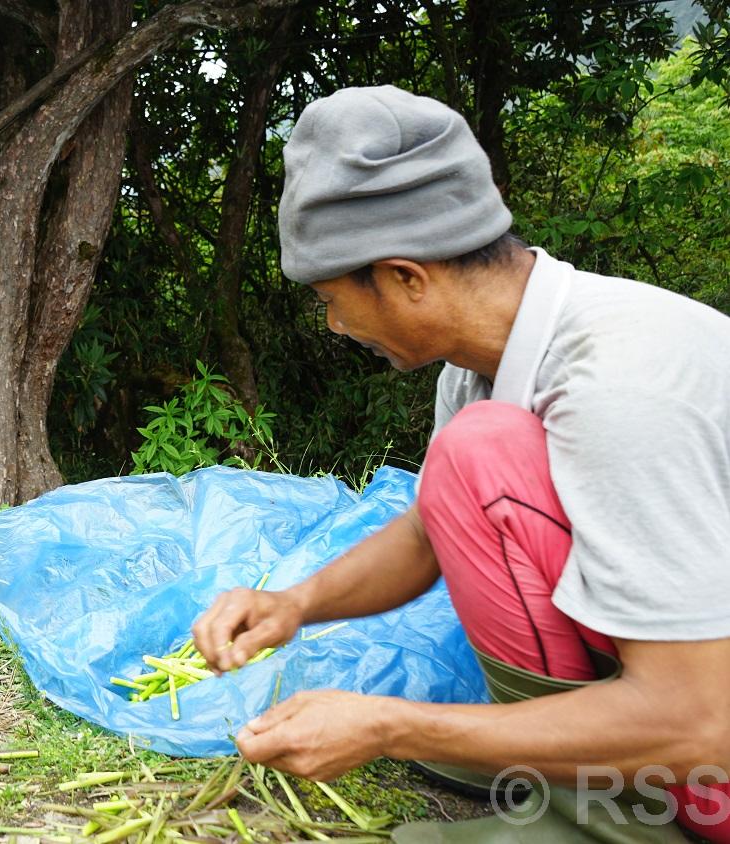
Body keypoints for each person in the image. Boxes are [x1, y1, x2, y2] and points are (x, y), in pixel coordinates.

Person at [191, 86, 730, 842]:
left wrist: (393, 726)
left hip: (706, 739)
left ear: (407, 277)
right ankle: (590, 785)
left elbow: (703, 724)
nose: (335, 325)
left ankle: (614, 818)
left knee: (476, 451)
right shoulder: (478, 367)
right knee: (472, 459)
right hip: (693, 714)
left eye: (333, 300)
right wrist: (294, 605)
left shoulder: (620, 387)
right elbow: (425, 535)